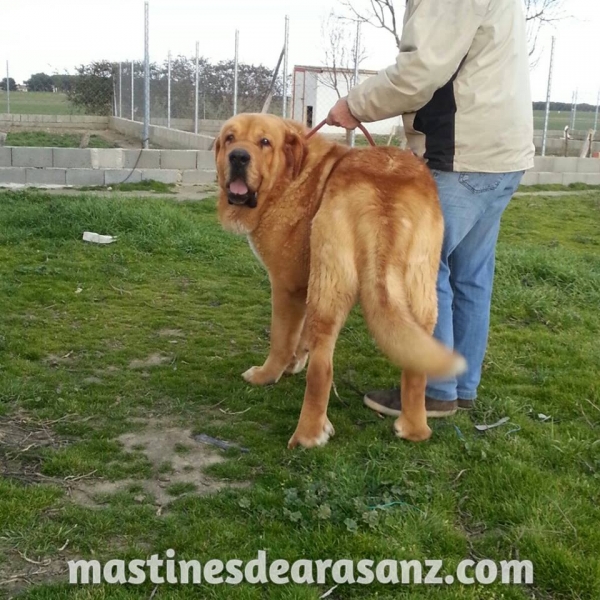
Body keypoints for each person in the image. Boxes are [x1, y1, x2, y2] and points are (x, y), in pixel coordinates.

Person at [326, 0, 534, 418]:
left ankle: (436, 389)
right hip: (503, 154)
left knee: (421, 269)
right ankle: (461, 384)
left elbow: (420, 72)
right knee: (471, 275)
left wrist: (355, 105)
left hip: (462, 155)